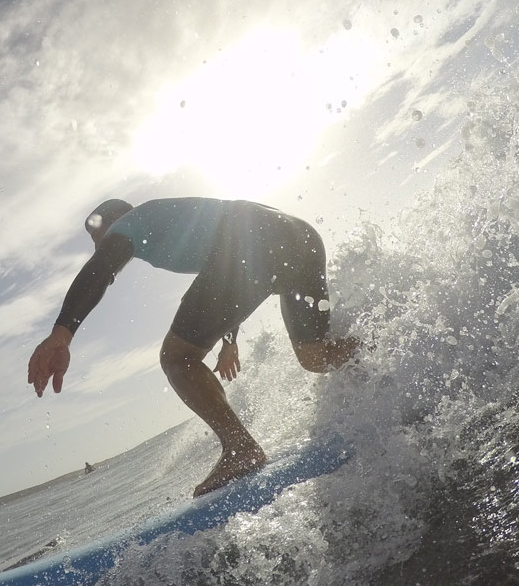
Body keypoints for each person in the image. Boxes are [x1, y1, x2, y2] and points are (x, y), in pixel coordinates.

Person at [27, 197, 358, 497]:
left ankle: (240, 449)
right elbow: (231, 282)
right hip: (300, 238)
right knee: (316, 356)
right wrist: (229, 342)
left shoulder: (130, 224)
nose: (98, 243)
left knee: (176, 358)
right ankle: (380, 346)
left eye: (95, 235)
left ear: (113, 221)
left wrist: (62, 335)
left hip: (253, 246)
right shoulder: (169, 219)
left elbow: (102, 268)